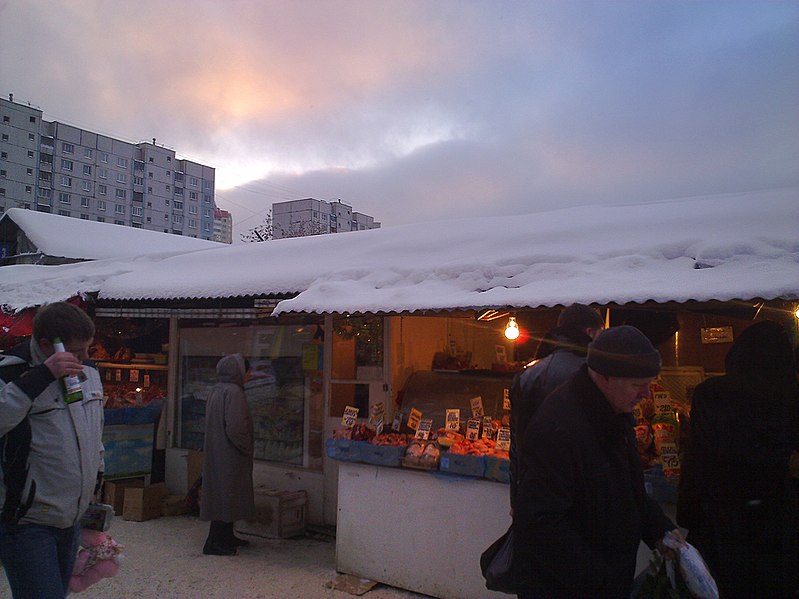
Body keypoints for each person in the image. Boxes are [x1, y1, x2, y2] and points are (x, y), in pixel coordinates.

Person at [514, 325, 683, 598]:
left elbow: (631, 489)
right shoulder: (558, 427)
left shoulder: (616, 414)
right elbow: (539, 520)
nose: (646, 395)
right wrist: (599, 581)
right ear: (604, 377)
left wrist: (660, 531)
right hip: (566, 588)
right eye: (638, 385)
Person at [677, 320, 799, 597]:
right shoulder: (790, 398)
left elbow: (696, 458)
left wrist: (690, 512)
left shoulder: (711, 394)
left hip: (721, 518)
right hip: (776, 521)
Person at [0, 301, 104, 599]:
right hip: (27, 523)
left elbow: (93, 431)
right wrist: (39, 378)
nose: (85, 359)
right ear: (47, 345)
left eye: (88, 349)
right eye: (77, 351)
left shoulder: (89, 373)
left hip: (70, 519)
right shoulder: (10, 374)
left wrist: (96, 478)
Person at [508, 304, 603, 512]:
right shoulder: (600, 375)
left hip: (536, 490)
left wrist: (518, 501)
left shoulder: (528, 375)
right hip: (585, 495)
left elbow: (517, 446)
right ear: (589, 332)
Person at [200, 353, 255, 556]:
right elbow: (236, 427)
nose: (250, 375)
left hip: (217, 451)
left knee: (222, 495)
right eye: (247, 371)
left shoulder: (217, 390)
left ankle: (226, 537)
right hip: (230, 454)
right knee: (227, 495)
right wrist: (246, 446)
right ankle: (215, 542)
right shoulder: (234, 392)